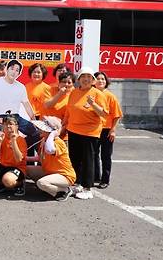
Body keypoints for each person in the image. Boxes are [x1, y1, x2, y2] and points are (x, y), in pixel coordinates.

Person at [63, 67, 108, 200]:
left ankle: (88, 188)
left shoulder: (97, 94)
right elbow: (69, 110)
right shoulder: (74, 92)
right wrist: (64, 124)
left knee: (88, 160)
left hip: (90, 132)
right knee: (75, 159)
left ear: (93, 80)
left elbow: (104, 113)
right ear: (79, 79)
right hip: (73, 130)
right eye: (83, 76)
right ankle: (78, 184)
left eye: (89, 77)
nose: (86, 79)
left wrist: (93, 104)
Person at [0, 59, 38, 149]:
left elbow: (26, 104)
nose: (14, 72)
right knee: (4, 140)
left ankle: (21, 149)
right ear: (7, 69)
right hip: (0, 117)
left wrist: (34, 120)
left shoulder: (20, 87)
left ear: (19, 74)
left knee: (35, 133)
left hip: (15, 117)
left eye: (17, 70)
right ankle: (3, 159)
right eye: (12, 68)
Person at [28, 116, 76, 201]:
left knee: (41, 183)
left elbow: (50, 150)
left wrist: (53, 134)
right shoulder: (44, 140)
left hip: (65, 175)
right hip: (50, 172)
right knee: (28, 169)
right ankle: (49, 188)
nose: (39, 130)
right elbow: (40, 158)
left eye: (43, 129)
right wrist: (25, 158)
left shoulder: (58, 142)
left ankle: (65, 190)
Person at [93, 71, 123, 189]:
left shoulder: (110, 96)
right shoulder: (91, 94)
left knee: (105, 156)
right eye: (98, 79)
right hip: (94, 129)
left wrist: (113, 130)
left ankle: (105, 180)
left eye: (103, 79)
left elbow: (116, 115)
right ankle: (96, 176)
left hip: (106, 130)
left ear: (106, 82)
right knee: (94, 154)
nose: (100, 81)